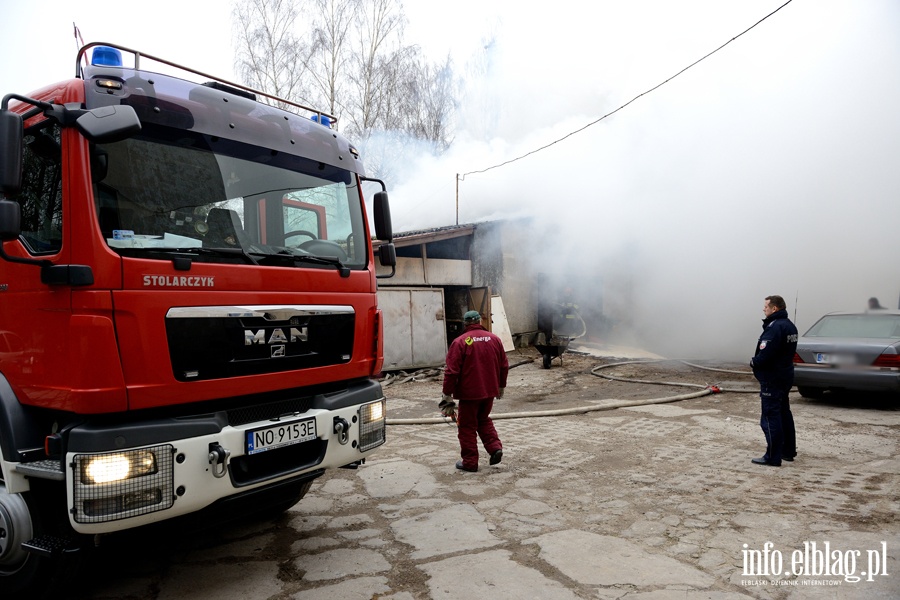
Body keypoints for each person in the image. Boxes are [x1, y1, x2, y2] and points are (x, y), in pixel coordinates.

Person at [439, 310, 509, 472]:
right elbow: (504, 366)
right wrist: (501, 386)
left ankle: (470, 462)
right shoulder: (495, 339)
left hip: (470, 394)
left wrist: (446, 394)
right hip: (490, 391)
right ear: (480, 321)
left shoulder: (460, 342)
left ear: (465, 324)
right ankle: (494, 448)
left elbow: (451, 371)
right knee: (483, 419)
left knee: (466, 426)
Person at [749, 295, 799, 467]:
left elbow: (766, 354)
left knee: (770, 416)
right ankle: (788, 451)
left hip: (773, 378)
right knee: (784, 413)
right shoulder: (790, 326)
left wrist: (754, 362)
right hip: (785, 376)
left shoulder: (775, 327)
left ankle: (772, 456)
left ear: (774, 308)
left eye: (766, 306)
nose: (764, 309)